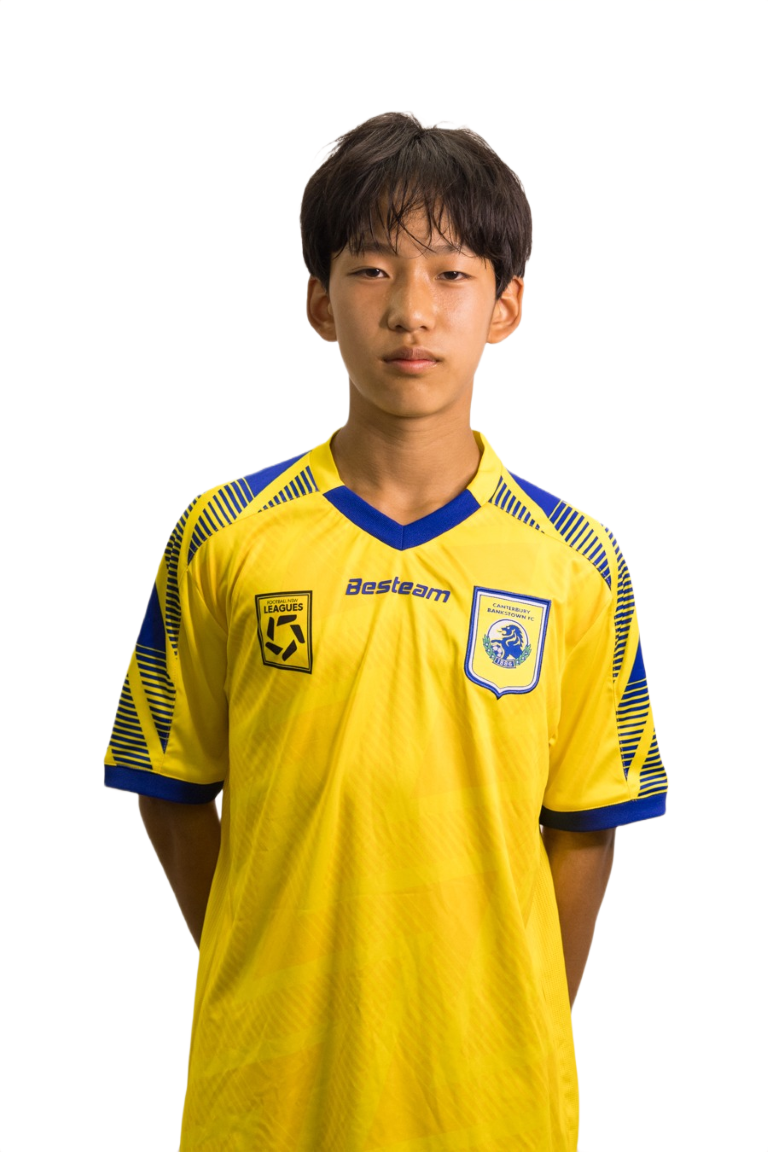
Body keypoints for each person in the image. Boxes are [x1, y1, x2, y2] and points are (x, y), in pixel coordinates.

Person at [104, 111, 668, 1152]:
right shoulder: (225, 537)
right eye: (372, 270)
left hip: (490, 1101)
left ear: (506, 306)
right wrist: (264, 962)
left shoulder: (574, 562)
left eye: (451, 274)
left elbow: (587, 827)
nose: (412, 310)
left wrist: (512, 1011)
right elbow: (171, 789)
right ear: (321, 302)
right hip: (270, 1095)